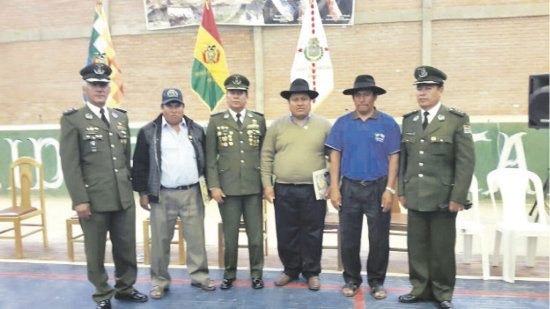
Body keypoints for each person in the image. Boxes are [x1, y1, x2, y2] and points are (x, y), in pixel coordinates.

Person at [60, 63, 148, 309]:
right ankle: (102, 293)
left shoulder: (120, 117)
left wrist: (132, 191)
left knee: (126, 248)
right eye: (94, 85)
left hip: (122, 197)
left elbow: (125, 158)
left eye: (103, 85)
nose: (100, 89)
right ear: (85, 88)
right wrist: (79, 199)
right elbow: (71, 165)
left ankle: (125, 288)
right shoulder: (73, 120)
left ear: (109, 88)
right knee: (95, 251)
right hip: (93, 199)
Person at [397, 66, 475, 309]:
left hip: (443, 197)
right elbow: (404, 160)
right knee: (417, 246)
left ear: (440, 90)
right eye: (419, 88)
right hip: (415, 194)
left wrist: (458, 196)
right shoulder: (409, 120)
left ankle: (443, 293)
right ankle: (419, 288)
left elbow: (465, 162)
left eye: (428, 88)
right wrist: (402, 190)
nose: (422, 93)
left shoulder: (456, 119)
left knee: (442, 248)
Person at [131, 88, 215, 299]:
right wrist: (143, 191)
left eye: (177, 105)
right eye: (169, 105)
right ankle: (159, 281)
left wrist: (209, 187)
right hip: (162, 194)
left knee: (196, 239)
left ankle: (200, 276)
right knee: (160, 241)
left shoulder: (195, 129)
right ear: (162, 107)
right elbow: (139, 164)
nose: (174, 109)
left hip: (192, 192)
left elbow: (206, 161)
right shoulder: (148, 131)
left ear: (183, 107)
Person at [325, 75, 400, 299]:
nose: (362, 98)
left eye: (367, 94)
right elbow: (334, 155)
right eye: (358, 94)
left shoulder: (388, 123)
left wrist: (390, 190)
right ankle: (351, 279)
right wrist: (335, 187)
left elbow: (394, 158)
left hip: (378, 188)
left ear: (375, 96)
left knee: (379, 239)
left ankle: (377, 282)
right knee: (349, 237)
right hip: (349, 187)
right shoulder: (342, 123)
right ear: (353, 98)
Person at [261, 78, 332, 291]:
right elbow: (266, 156)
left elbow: (335, 156)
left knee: (313, 232)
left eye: (304, 99)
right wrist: (267, 184)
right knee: (286, 231)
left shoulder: (324, 125)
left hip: (314, 190)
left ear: (311, 101)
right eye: (295, 99)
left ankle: (311, 272)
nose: (299, 103)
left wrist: (333, 184)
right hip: (284, 188)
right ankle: (290, 269)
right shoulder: (276, 126)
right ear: (289, 102)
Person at [205, 74, 267, 290]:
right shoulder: (216, 121)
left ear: (247, 96)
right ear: (227, 96)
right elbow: (210, 158)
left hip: (252, 188)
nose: (236, 97)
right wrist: (213, 186)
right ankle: (229, 273)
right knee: (230, 238)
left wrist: (267, 184)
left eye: (240, 93)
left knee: (256, 237)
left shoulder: (258, 120)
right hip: (227, 190)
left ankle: (257, 273)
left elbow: (264, 154)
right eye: (232, 93)